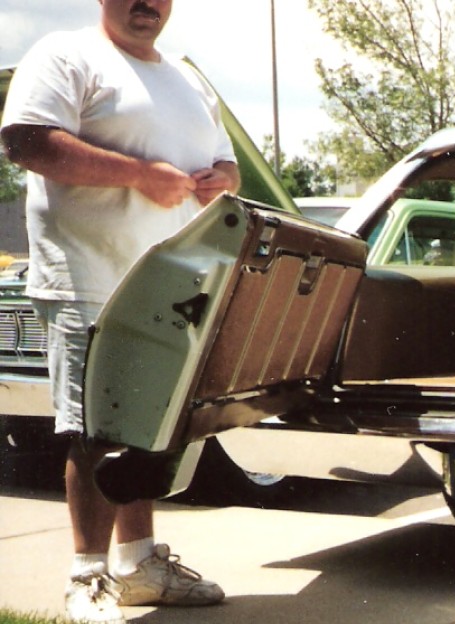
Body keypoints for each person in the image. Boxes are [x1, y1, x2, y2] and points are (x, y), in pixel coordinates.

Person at [0, 1, 239, 622]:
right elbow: (25, 141)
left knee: (149, 428)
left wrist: (221, 179)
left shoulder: (186, 78)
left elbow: (228, 164)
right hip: (88, 277)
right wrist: (137, 175)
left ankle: (139, 566)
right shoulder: (65, 54)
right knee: (94, 430)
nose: (146, 4)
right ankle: (87, 577)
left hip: (170, 285)